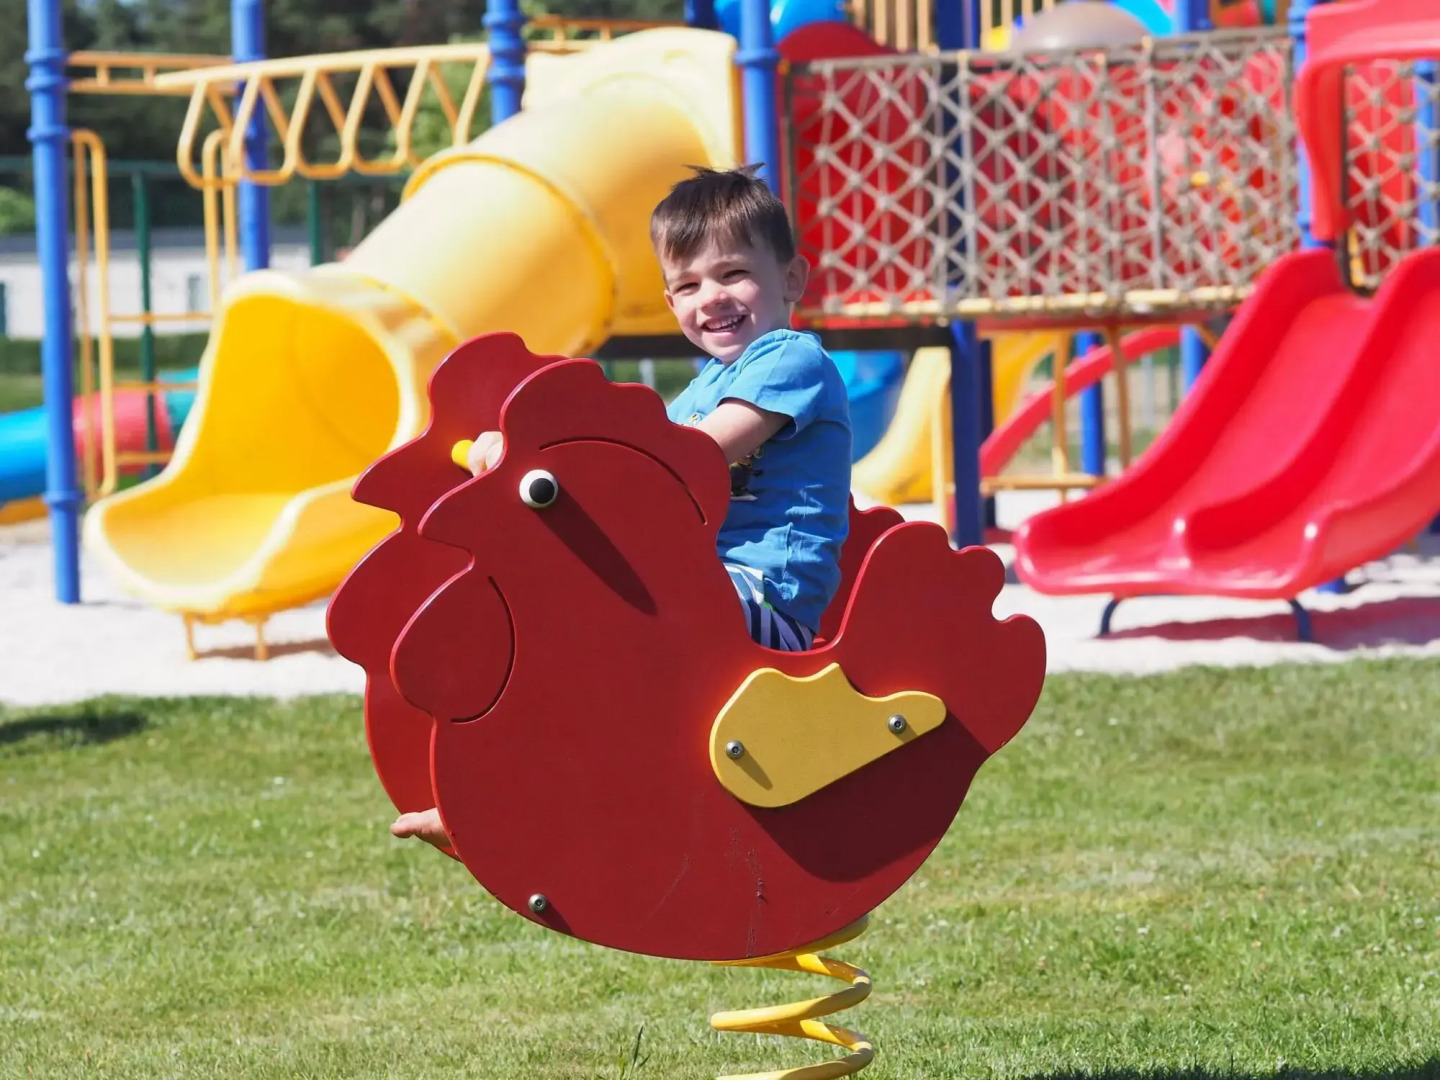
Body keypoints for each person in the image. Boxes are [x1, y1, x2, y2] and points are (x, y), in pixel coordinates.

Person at [393, 164, 852, 849]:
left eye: (733, 274)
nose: (712, 298)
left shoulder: (792, 358)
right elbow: (641, 473)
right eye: (689, 285)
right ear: (671, 306)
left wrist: (548, 466)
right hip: (704, 592)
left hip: (762, 603)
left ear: (790, 280)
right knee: (552, 619)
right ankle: (497, 797)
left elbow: (681, 466)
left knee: (588, 624)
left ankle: (507, 809)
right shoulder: (702, 387)